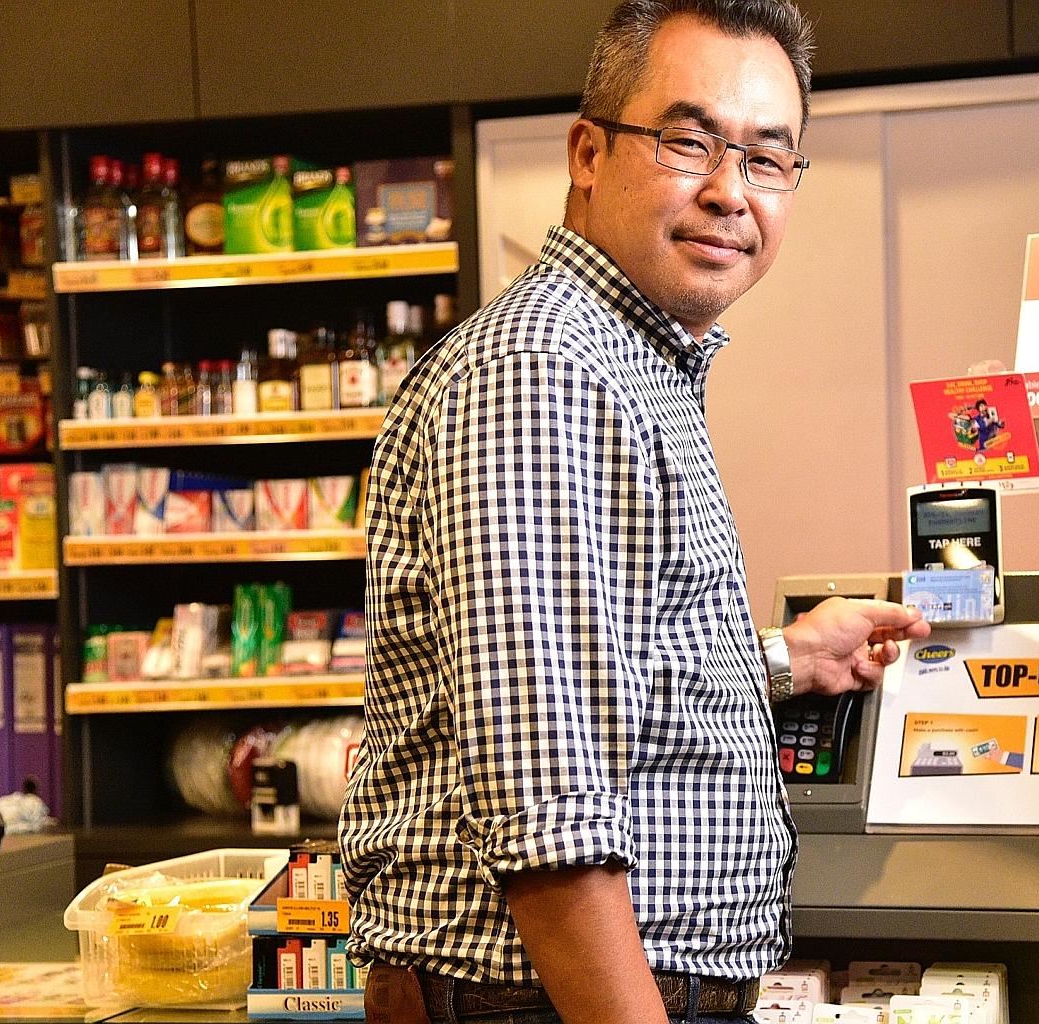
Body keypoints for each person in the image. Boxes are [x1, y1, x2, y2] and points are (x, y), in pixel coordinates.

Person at [339, 3, 931, 1023]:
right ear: (588, 151)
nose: (727, 192)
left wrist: (788, 659)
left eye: (767, 158)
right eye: (688, 141)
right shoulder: (545, 373)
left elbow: (604, 667)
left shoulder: (633, 362)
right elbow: (547, 813)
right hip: (541, 996)